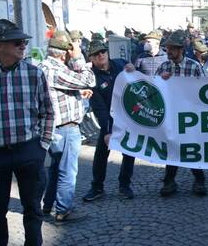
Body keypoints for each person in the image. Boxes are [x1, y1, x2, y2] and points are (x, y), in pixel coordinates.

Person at [0, 19, 53, 245]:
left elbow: (47, 112)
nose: (23, 46)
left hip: (29, 150)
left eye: (24, 42)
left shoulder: (34, 74)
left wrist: (42, 146)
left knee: (33, 209)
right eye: (17, 42)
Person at [40, 30, 96, 223]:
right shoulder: (56, 69)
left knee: (55, 168)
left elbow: (58, 94)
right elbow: (89, 79)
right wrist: (78, 56)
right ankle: (63, 209)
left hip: (54, 127)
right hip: (65, 127)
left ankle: (48, 205)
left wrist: (78, 95)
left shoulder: (43, 66)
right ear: (64, 53)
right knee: (67, 170)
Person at [151, 30, 207, 197]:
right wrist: (160, 80)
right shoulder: (163, 67)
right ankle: (169, 181)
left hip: (189, 116)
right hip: (170, 116)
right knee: (172, 148)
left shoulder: (194, 66)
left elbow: (204, 90)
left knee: (190, 148)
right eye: (167, 48)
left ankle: (199, 179)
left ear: (181, 49)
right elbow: (153, 90)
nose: (168, 51)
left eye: (172, 49)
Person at [82, 39, 136, 202]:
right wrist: (107, 132)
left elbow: (137, 75)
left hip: (128, 115)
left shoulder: (120, 64)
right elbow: (99, 108)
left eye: (103, 52)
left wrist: (134, 68)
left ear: (107, 52)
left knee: (129, 151)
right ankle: (97, 187)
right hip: (110, 118)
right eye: (96, 54)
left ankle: (124, 185)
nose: (100, 56)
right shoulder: (91, 77)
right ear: (91, 58)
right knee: (101, 152)